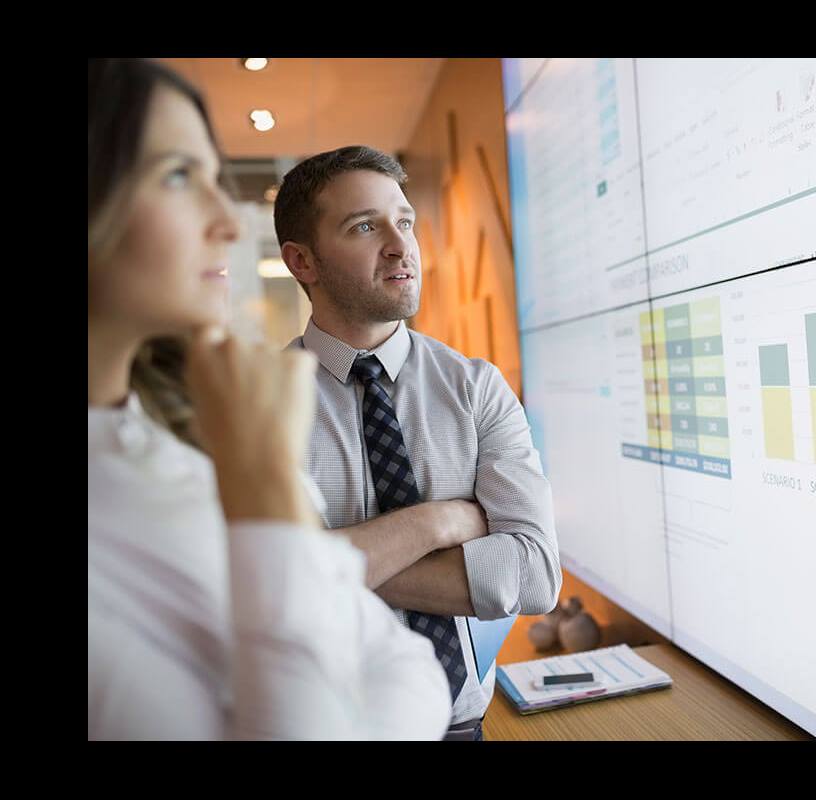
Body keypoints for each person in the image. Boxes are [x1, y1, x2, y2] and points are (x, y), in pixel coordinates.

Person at [87, 59, 452, 740]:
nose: (228, 219)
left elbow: (413, 668)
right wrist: (266, 490)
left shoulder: (194, 431)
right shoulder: (250, 440)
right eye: (176, 176)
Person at [274, 145, 562, 741]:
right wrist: (437, 524)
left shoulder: (477, 388)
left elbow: (534, 574)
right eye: (364, 226)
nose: (400, 245)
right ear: (302, 261)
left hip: (462, 726)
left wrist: (321, 563)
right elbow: (259, 590)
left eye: (404, 221)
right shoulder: (260, 409)